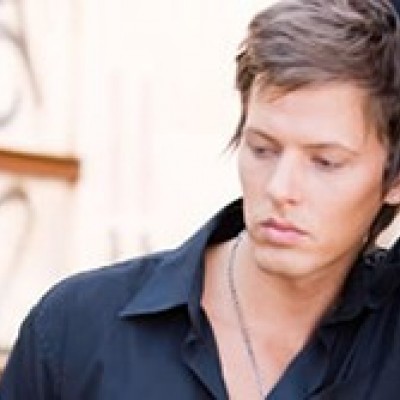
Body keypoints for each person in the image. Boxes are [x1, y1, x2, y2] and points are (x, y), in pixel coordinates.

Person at [2, 0, 400, 398]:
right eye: (263, 149)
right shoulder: (76, 330)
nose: (280, 188)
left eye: (326, 162)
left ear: (394, 180)